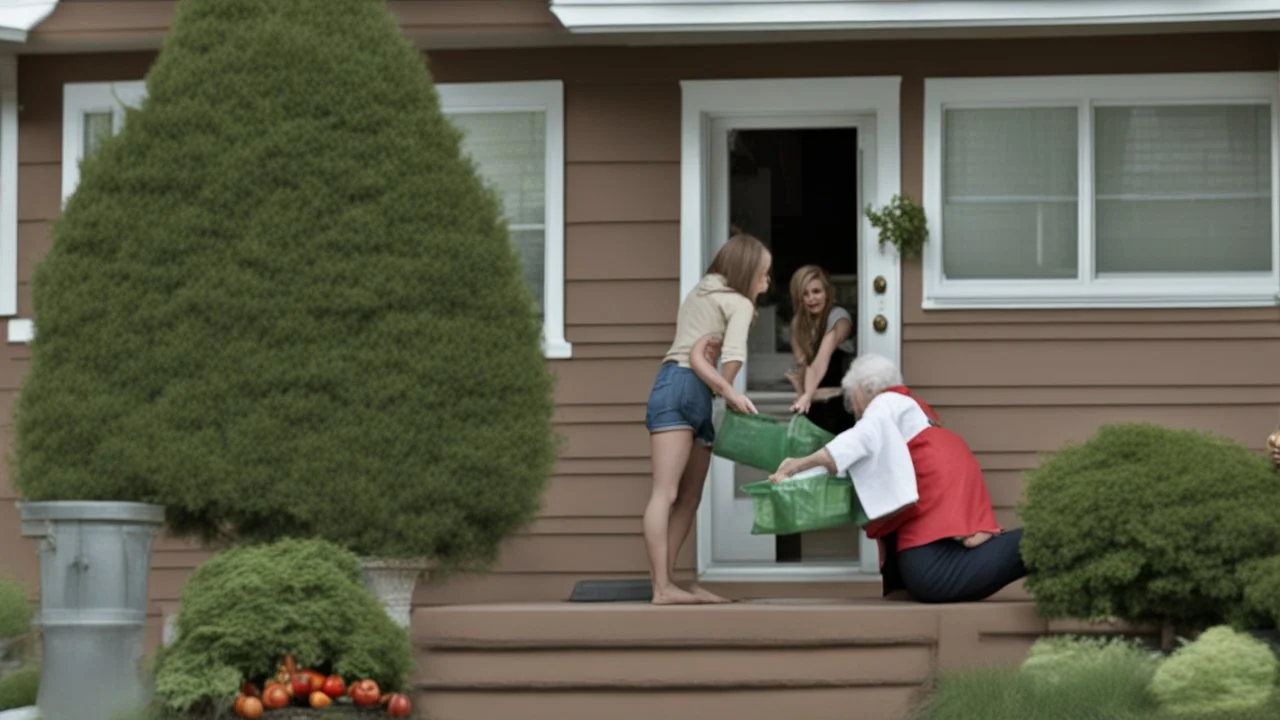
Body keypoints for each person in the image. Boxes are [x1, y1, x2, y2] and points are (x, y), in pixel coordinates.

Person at [767, 353, 1026, 603]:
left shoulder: (884, 403)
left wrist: (798, 464)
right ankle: (979, 535)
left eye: (852, 399)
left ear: (865, 389)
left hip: (931, 562)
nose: (853, 408)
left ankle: (1033, 538)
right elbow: (854, 462)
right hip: (948, 486)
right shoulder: (911, 410)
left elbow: (857, 440)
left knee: (929, 560)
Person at [643, 234, 771, 605]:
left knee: (677, 495)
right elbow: (732, 354)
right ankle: (662, 586)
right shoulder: (739, 303)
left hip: (672, 383)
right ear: (746, 272)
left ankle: (663, 583)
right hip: (692, 385)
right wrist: (726, 390)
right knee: (677, 496)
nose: (766, 284)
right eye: (763, 275)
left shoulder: (700, 291)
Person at [785, 265, 856, 435]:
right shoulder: (799, 325)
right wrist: (803, 394)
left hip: (842, 402)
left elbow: (821, 359)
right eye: (805, 294)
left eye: (816, 291)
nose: (811, 299)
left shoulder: (839, 317)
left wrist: (807, 395)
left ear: (827, 292)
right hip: (815, 398)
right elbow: (804, 365)